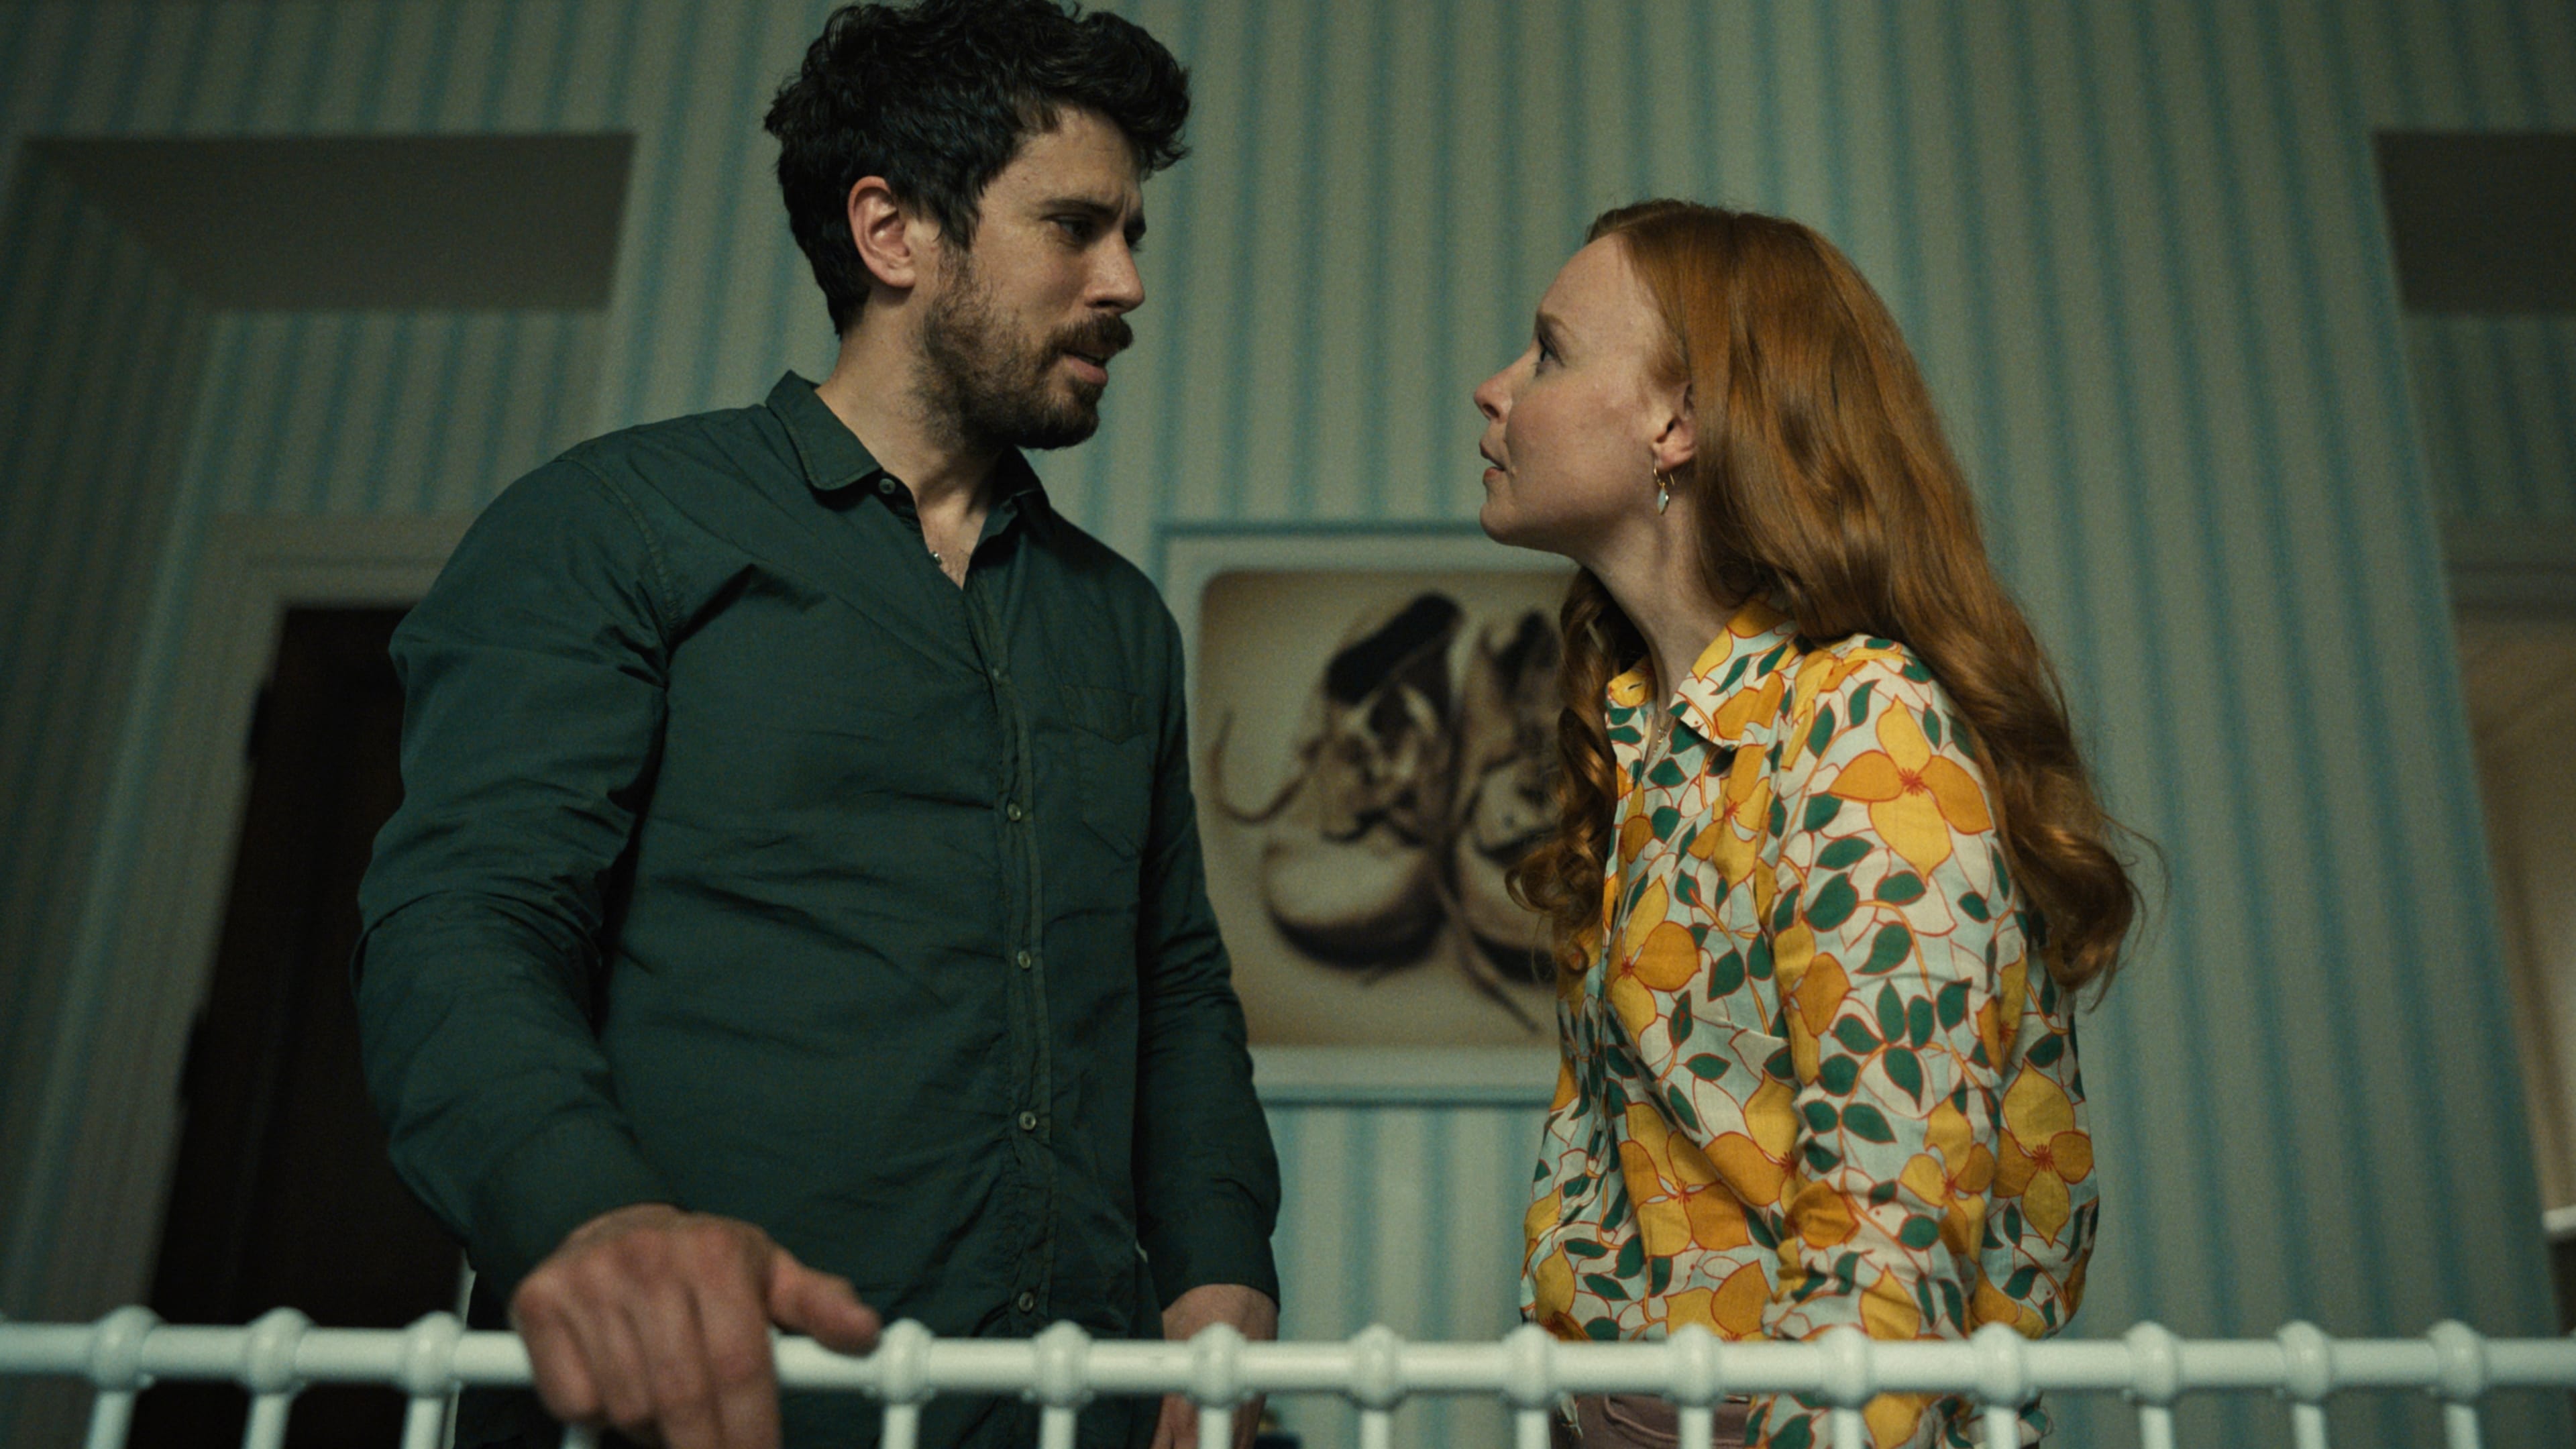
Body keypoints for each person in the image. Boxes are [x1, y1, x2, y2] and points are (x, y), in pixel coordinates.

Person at [352, 4, 1280, 1447]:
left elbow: (1174, 986)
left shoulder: (1120, 621)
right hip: (699, 1407)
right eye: (1075, 227)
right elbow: (468, 916)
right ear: (891, 231)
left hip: (1067, 1411)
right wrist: (587, 1216)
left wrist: (1219, 1277)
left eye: (1133, 236)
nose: (1126, 283)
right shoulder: (614, 525)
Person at [1474, 201, 2141, 1449]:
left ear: (1676, 423)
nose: (1495, 389)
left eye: (1550, 351)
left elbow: (1886, 1258)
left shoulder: (1867, 728)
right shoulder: (1649, 734)